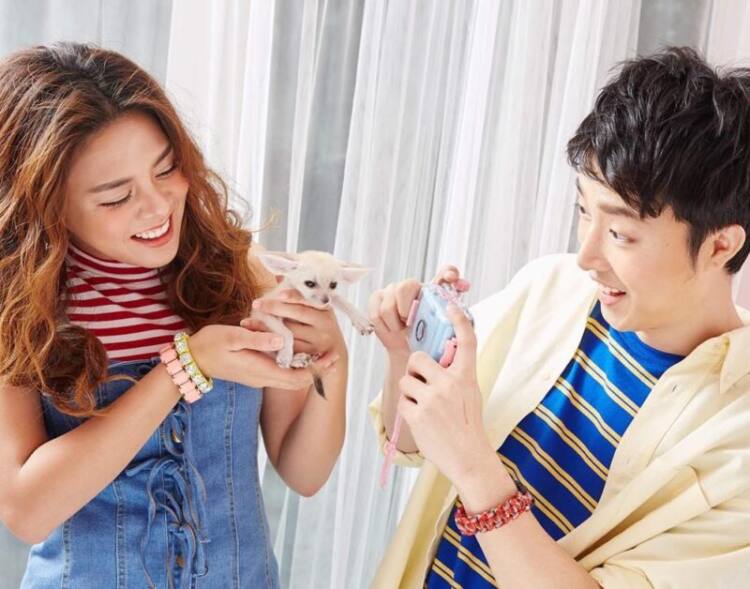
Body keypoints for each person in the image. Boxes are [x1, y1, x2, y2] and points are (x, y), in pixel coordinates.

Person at [368, 46, 750, 588]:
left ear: (719, 246)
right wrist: (404, 358)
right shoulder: (549, 288)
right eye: (582, 211)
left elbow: (463, 458)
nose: (586, 257)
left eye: (620, 233)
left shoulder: (738, 438)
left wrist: (477, 468)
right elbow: (409, 445)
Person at [0, 42, 350, 588]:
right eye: (116, 197)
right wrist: (183, 366)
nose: (159, 206)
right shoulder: (20, 311)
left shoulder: (239, 275)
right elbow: (28, 510)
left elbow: (303, 472)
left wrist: (333, 362)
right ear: (48, 205)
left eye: (166, 169)